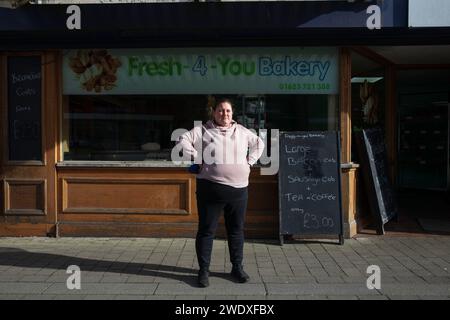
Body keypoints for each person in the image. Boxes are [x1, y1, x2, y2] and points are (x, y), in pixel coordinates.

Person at [177, 97, 264, 287]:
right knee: (207, 231)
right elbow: (182, 140)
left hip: (239, 191)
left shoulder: (241, 131)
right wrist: (197, 156)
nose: (224, 114)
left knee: (236, 231)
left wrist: (249, 162)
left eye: (228, 111)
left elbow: (259, 144)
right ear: (214, 112)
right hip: (210, 189)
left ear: (233, 114)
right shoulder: (203, 130)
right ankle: (203, 271)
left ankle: (237, 268)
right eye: (220, 110)